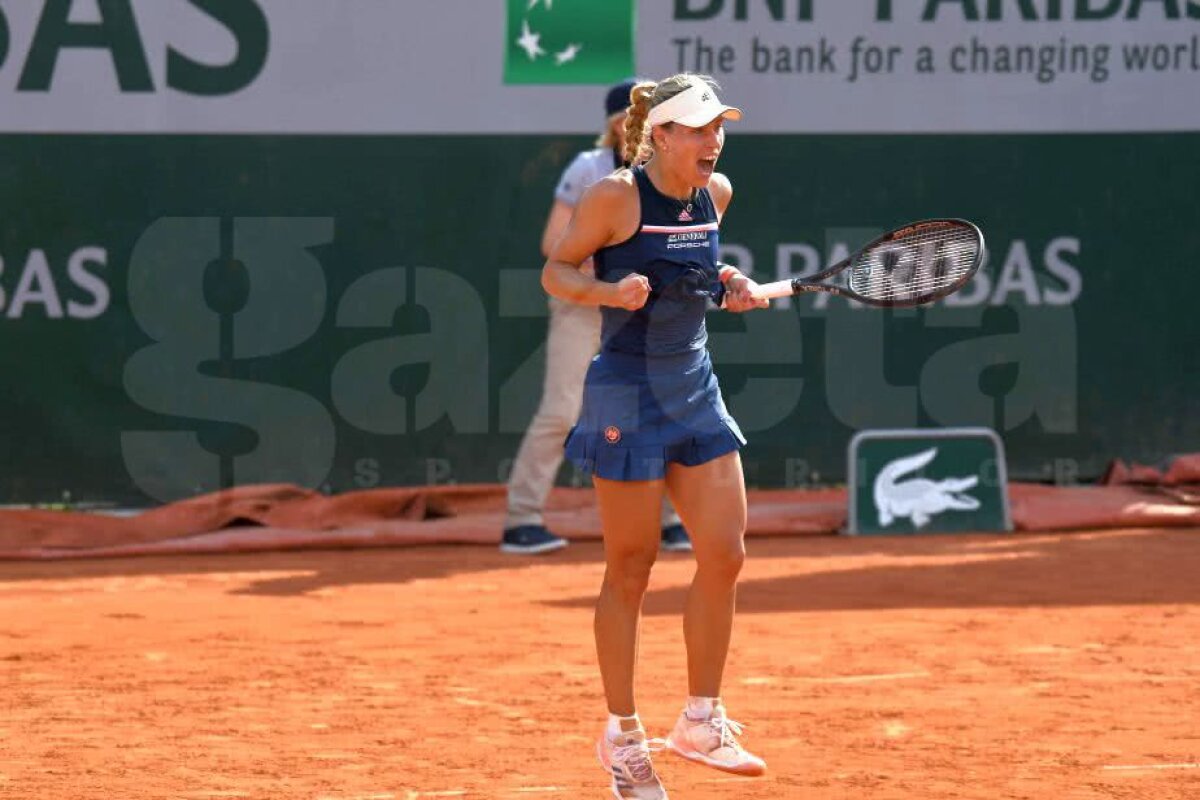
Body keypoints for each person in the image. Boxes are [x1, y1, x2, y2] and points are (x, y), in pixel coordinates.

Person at [542, 73, 770, 799]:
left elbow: (694, 269)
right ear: (662, 135)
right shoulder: (614, 196)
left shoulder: (717, 193)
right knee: (632, 566)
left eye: (718, 128)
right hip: (627, 390)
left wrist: (727, 280)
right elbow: (555, 270)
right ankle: (622, 736)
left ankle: (701, 719)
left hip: (693, 385)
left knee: (725, 552)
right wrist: (609, 292)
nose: (713, 141)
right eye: (698, 129)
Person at [501, 80, 692, 556]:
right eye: (634, 118)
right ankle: (521, 520)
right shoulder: (589, 169)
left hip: (645, 313)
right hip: (585, 304)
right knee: (562, 411)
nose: (642, 129)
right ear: (614, 124)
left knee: (660, 409)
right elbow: (553, 244)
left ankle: (669, 521)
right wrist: (607, 279)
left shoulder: (671, 176)